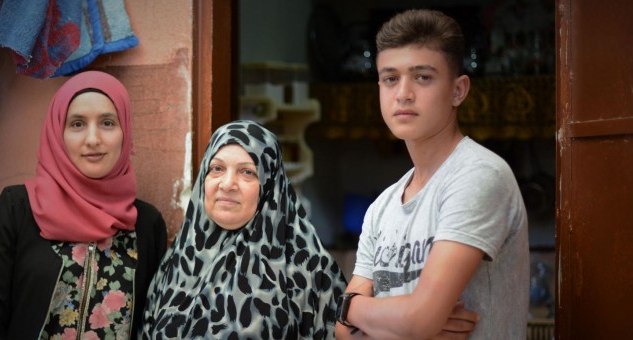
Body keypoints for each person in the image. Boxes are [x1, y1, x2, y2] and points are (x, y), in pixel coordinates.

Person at [335, 9, 529, 339]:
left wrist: (347, 307)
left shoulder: (478, 176)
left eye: (422, 77)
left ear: (458, 90)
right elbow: (341, 332)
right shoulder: (382, 207)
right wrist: (368, 318)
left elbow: (417, 320)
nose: (403, 93)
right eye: (390, 78)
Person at [0, 71, 168, 339]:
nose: (92, 139)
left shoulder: (145, 222)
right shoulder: (19, 208)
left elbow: (152, 322)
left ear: (126, 132)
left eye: (108, 123)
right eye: (77, 124)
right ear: (57, 133)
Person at [140, 120, 347, 339]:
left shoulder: (311, 270)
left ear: (269, 185)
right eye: (217, 168)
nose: (227, 184)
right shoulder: (177, 262)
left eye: (247, 172)